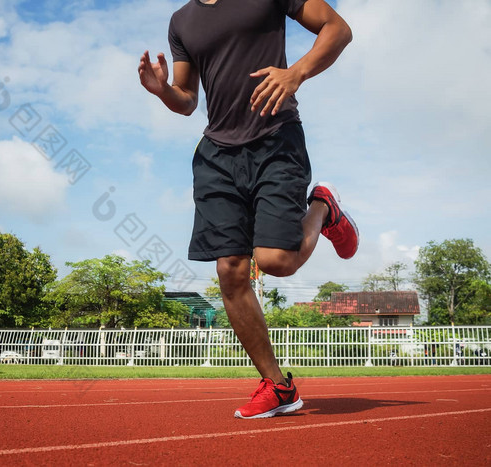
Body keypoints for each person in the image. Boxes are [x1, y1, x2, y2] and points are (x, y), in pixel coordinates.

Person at [138, 0, 357, 419]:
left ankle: (322, 208)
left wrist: (296, 73)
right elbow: (186, 100)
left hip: (276, 138)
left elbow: (337, 28)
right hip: (217, 155)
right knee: (230, 270)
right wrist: (162, 89)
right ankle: (278, 386)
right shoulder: (181, 21)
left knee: (275, 261)